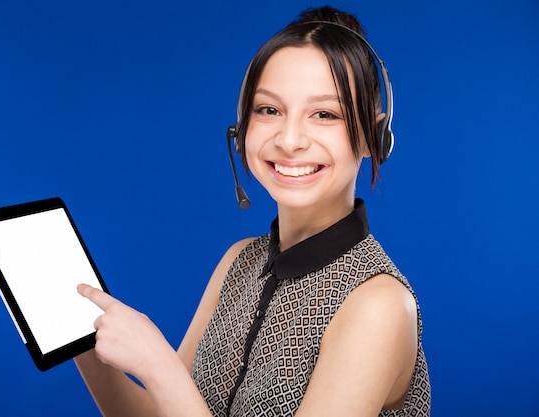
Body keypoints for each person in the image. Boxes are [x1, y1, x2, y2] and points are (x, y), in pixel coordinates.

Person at [74, 5, 431, 417]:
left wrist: (158, 365)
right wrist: (79, 336)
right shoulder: (239, 261)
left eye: (325, 114)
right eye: (269, 110)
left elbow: (169, 388)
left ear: (375, 136)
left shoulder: (379, 305)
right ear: (241, 130)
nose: (290, 139)